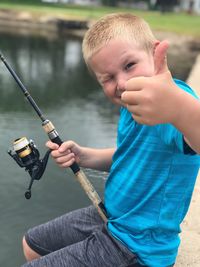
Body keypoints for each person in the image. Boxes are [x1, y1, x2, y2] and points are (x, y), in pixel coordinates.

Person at [21, 13, 200, 267]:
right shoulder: (131, 107)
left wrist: (178, 108)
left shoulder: (169, 101)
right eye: (108, 78)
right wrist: (83, 156)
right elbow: (128, 156)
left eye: (129, 65)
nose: (122, 83)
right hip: (114, 218)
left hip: (138, 247)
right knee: (32, 244)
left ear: (154, 51)